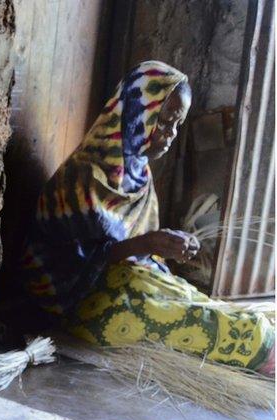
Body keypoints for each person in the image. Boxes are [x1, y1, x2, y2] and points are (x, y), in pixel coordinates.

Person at [17, 60, 275, 375]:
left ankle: (257, 339)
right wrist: (147, 243)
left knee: (191, 299)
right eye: (164, 121)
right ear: (138, 112)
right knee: (187, 321)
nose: (170, 135)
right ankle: (257, 349)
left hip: (124, 280)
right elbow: (70, 264)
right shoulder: (85, 174)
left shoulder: (139, 173)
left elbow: (138, 254)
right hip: (70, 301)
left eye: (177, 125)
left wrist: (165, 247)